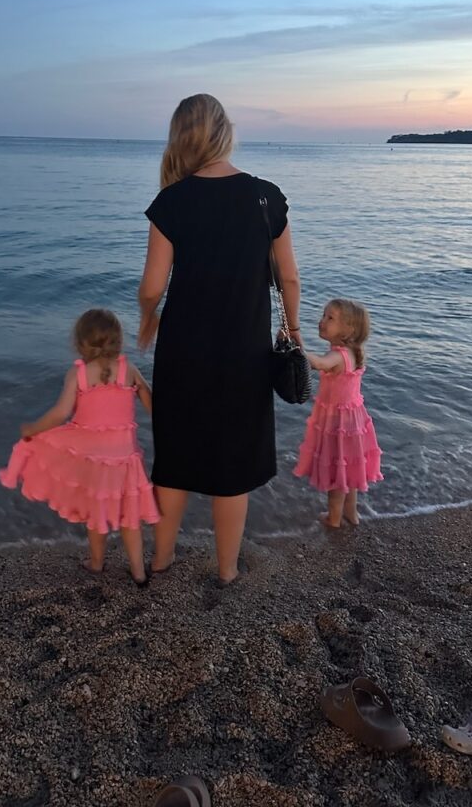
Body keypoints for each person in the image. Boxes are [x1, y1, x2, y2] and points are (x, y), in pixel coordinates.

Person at [138, 94, 301, 585]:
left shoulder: (173, 201)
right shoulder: (266, 198)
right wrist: (291, 330)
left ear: (180, 137)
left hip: (184, 350)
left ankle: (162, 559)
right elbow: (288, 279)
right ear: (225, 132)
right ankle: (227, 569)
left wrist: (148, 318)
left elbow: (152, 285)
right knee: (233, 464)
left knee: (174, 457)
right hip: (244, 353)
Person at [0, 309, 158, 585]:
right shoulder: (128, 369)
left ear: (80, 343)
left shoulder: (79, 374)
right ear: (118, 341)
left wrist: (33, 430)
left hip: (92, 460)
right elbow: (151, 401)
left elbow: (61, 414)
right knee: (130, 517)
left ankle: (96, 564)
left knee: (97, 514)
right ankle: (138, 572)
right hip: (124, 459)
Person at [294, 298, 382, 527]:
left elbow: (320, 364)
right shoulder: (352, 353)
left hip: (338, 425)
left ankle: (333, 520)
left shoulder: (339, 356)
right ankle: (351, 515)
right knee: (348, 473)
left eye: (330, 318)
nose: (322, 321)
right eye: (323, 315)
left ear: (348, 330)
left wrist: (296, 352)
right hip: (353, 423)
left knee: (336, 476)